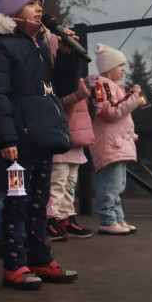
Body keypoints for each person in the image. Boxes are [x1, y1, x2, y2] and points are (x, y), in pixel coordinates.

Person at [0, 0, 79, 290]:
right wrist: (6, 138)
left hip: (40, 138)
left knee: (39, 203)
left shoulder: (37, 43)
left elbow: (60, 89)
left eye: (40, 4)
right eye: (32, 3)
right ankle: (14, 265)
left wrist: (66, 54)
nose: (39, 9)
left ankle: (39, 257)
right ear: (11, 7)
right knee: (16, 203)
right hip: (17, 143)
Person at [45, 34, 95, 241]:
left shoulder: (75, 77)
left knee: (70, 183)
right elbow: (61, 102)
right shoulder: (54, 79)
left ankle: (67, 216)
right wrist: (83, 91)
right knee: (57, 182)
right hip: (62, 139)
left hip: (77, 140)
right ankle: (50, 219)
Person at [90, 43, 143, 235]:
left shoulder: (113, 87)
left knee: (118, 185)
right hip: (110, 144)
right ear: (108, 67)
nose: (123, 69)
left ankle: (117, 219)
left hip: (118, 143)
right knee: (110, 185)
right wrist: (134, 99)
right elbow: (111, 113)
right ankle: (107, 220)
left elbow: (120, 118)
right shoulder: (102, 85)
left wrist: (130, 135)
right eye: (120, 65)